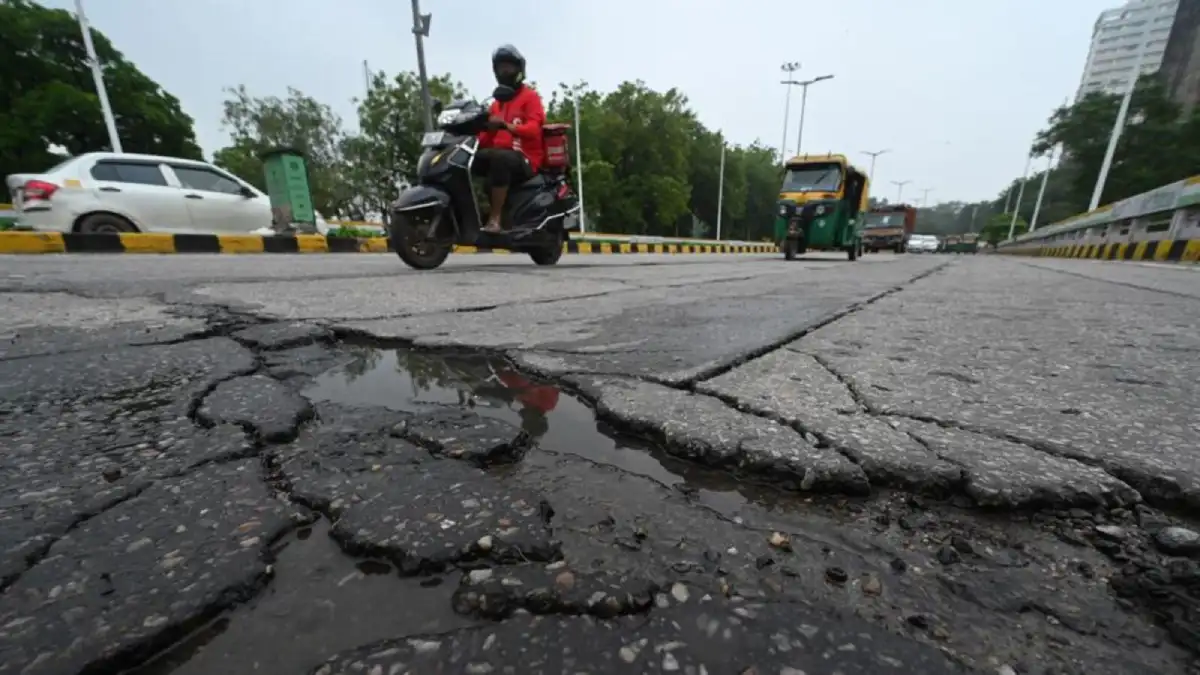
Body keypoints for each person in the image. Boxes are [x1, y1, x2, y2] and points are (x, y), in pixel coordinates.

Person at [474, 44, 545, 233]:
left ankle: (495, 220)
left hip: (527, 158)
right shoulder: (496, 104)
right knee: (468, 159)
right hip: (502, 156)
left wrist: (507, 126)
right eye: (500, 67)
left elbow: (534, 129)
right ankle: (472, 214)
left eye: (509, 67)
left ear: (519, 70)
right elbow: (484, 139)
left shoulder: (530, 97)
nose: (504, 71)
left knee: (500, 159)